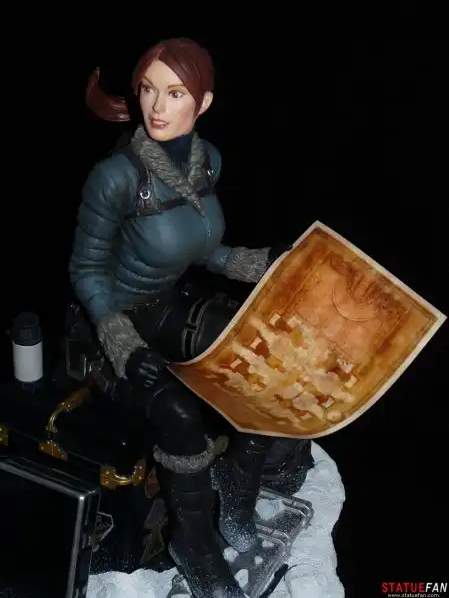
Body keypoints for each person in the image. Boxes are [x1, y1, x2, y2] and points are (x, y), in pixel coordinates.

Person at [69, 37, 308, 597]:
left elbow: (203, 251)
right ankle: (194, 548)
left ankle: (236, 486)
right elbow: (86, 271)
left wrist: (263, 263)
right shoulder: (116, 177)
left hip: (165, 304)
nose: (157, 106)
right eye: (148, 90)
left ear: (202, 103)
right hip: (109, 323)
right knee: (178, 413)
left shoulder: (208, 162)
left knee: (261, 352)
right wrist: (123, 346)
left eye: (175, 93)